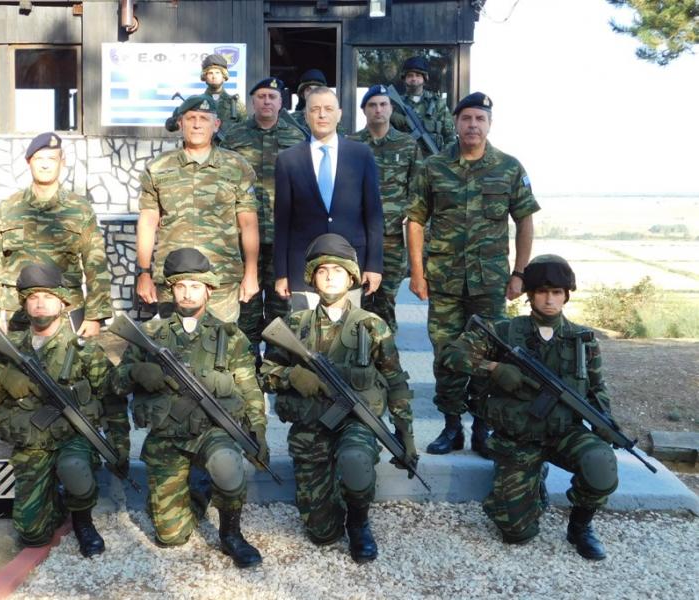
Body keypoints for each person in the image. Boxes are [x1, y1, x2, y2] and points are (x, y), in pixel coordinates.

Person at [440, 255, 617, 560]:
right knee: (516, 533)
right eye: (542, 292)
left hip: (564, 433)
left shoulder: (582, 339)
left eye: (557, 292)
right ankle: (531, 483)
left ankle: (580, 528)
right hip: (517, 438)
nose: (550, 299)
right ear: (530, 294)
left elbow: (596, 388)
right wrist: (493, 367)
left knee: (600, 460)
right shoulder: (504, 331)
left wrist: (605, 421)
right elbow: (452, 356)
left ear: (566, 295)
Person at [261, 234, 416, 563]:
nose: (330, 276)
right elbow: (265, 373)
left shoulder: (372, 326)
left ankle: (359, 522)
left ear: (351, 278)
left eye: (338, 270)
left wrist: (405, 434)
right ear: (313, 278)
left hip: (356, 423)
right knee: (321, 533)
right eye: (322, 270)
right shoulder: (295, 326)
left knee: (356, 458)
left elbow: (395, 380)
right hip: (311, 427)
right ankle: (333, 499)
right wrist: (292, 376)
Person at [114, 248, 268, 568]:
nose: (187, 293)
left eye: (195, 286)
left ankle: (231, 534)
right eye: (180, 286)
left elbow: (249, 388)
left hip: (212, 431)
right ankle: (198, 488)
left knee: (227, 462)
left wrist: (258, 430)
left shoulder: (230, 336)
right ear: (171, 290)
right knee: (170, 536)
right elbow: (115, 384)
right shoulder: (150, 335)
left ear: (209, 290)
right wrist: (136, 372)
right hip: (166, 436)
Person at [406, 92, 539, 457]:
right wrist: (417, 273)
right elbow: (415, 221)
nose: (473, 125)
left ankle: (483, 428)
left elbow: (525, 221)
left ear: (489, 124)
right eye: (466, 118)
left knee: (491, 354)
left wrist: (520, 273)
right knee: (446, 355)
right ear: (456, 123)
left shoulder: (509, 168)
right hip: (444, 282)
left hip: (490, 283)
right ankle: (452, 428)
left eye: (480, 118)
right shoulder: (433, 167)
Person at [0, 264, 129, 557]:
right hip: (31, 443)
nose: (40, 303)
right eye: (33, 297)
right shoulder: (9, 348)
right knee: (32, 534)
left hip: (73, 438)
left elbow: (113, 398)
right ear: (24, 304)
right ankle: (53, 503)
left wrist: (119, 445)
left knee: (74, 467)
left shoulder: (82, 349)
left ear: (62, 302)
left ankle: (83, 520)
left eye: (48, 296)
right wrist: (3, 379)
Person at [136, 95, 260, 323]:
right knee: (173, 340)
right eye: (191, 118)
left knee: (220, 340)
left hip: (221, 278)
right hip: (173, 279)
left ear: (216, 124)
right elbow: (147, 223)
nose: (196, 124)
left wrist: (251, 273)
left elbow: (248, 223)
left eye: (204, 119)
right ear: (180, 123)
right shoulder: (158, 167)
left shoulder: (237, 166)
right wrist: (144, 273)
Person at [0, 132, 111, 337]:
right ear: (29, 162)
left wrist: (95, 316)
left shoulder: (80, 209)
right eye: (39, 158)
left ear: (62, 162)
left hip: (66, 313)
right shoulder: (8, 208)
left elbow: (96, 262)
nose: (45, 165)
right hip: (18, 315)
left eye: (52, 159)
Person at [274, 87, 384, 310]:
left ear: (339, 114)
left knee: (347, 329)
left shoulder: (360, 154)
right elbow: (282, 222)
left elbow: (373, 215)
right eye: (315, 109)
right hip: (303, 268)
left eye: (328, 109)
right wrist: (281, 273)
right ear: (306, 115)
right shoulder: (288, 159)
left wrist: (374, 265)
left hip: (350, 266)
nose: (322, 115)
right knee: (305, 329)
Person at [222, 77, 307, 361]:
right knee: (245, 302)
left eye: (272, 96)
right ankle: (246, 362)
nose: (266, 101)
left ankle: (275, 363)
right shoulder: (233, 137)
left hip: (282, 236)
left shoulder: (297, 137)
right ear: (253, 102)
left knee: (280, 303)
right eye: (261, 96)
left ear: (281, 102)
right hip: (242, 236)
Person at [349, 85, 423, 333]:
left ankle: (386, 351)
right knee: (354, 301)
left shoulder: (407, 145)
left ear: (391, 109)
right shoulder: (350, 144)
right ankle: (355, 351)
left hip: (392, 239)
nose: (378, 110)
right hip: (357, 238)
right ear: (364, 110)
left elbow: (417, 193)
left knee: (385, 301)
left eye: (383, 104)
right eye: (372, 105)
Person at [389, 56, 456, 156]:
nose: (414, 78)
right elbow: (382, 134)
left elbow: (451, 138)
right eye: (410, 75)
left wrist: (444, 158)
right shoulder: (394, 104)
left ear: (424, 78)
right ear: (404, 78)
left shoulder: (438, 104)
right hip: (403, 161)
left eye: (418, 75)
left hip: (433, 161)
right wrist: (391, 116)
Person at [200, 53, 246, 132]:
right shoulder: (196, 102)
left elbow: (245, 129)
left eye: (217, 73)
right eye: (210, 73)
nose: (214, 76)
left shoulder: (236, 104)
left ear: (224, 76)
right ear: (205, 77)